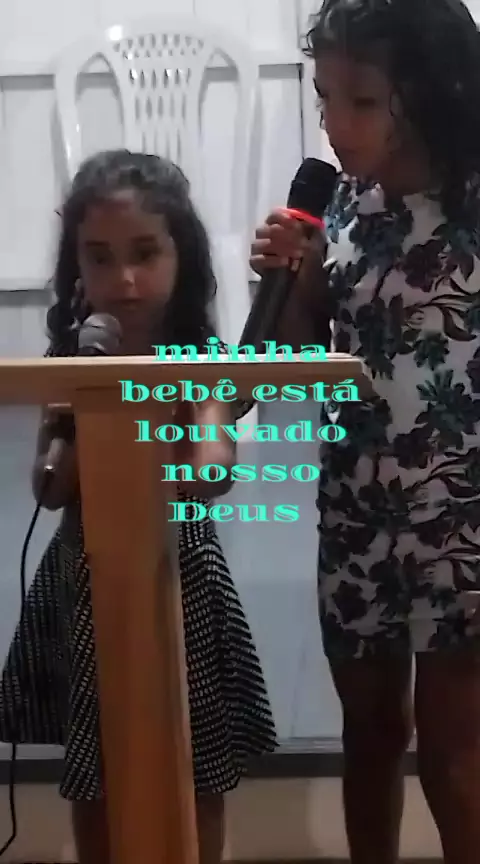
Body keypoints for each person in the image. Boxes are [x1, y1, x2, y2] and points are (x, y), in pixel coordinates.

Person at [250, 1, 480, 862]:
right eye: (323, 97)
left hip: (463, 517)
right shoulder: (341, 204)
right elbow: (298, 356)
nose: (334, 124)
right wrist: (292, 283)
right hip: (355, 509)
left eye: (362, 101)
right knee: (371, 732)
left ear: (431, 92)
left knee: (456, 751)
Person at [0, 149, 276, 864]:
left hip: (179, 572)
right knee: (95, 767)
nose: (123, 279)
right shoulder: (71, 360)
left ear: (182, 255)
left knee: (197, 761)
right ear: (76, 268)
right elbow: (49, 488)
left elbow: (213, 467)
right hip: (86, 573)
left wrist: (169, 429)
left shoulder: (200, 358)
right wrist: (84, 397)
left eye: (144, 254)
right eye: (99, 258)